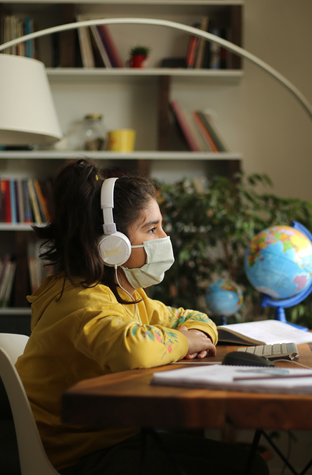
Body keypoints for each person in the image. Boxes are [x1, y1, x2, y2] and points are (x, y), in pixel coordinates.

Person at [15, 159, 268, 474]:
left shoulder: (125, 294)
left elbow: (188, 316)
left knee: (249, 464)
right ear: (113, 244)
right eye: (151, 228)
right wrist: (185, 339)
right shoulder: (81, 302)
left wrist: (195, 334)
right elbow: (133, 348)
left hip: (115, 437)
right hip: (80, 455)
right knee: (248, 470)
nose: (164, 236)